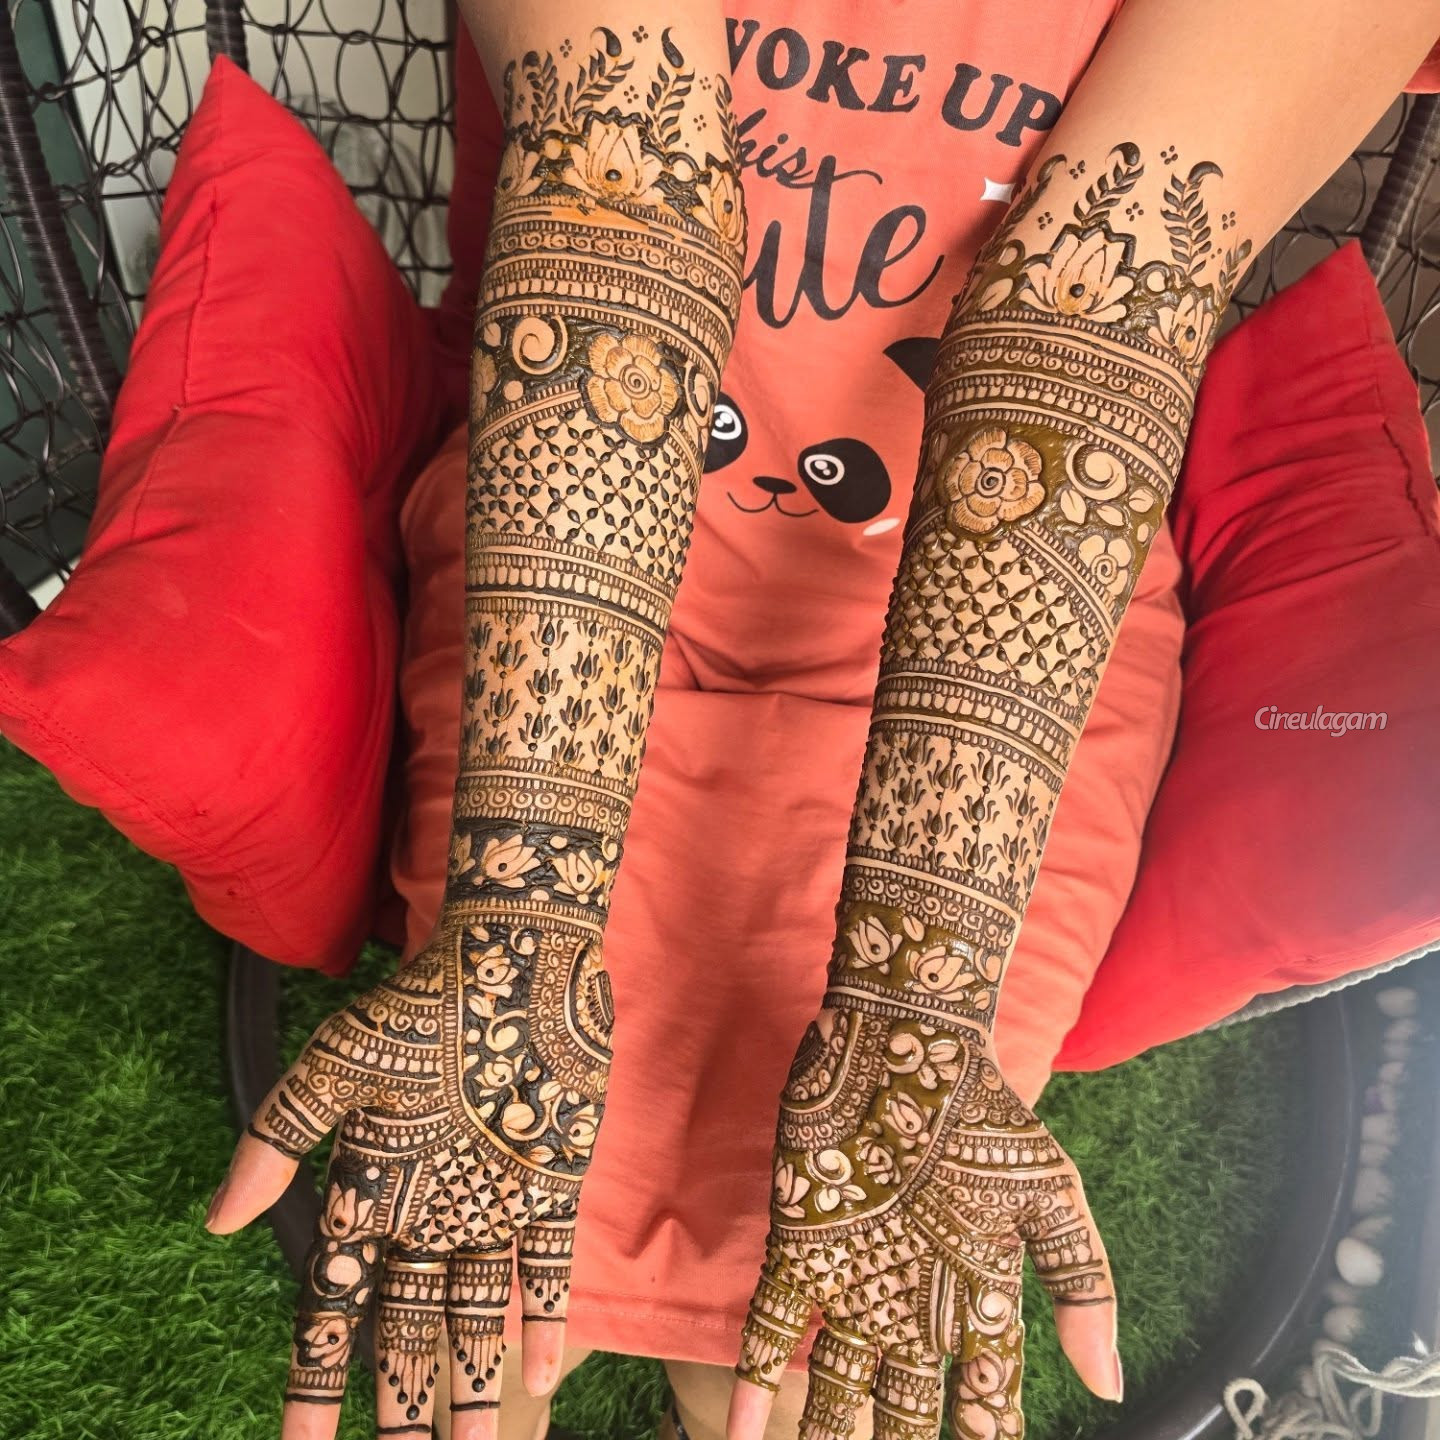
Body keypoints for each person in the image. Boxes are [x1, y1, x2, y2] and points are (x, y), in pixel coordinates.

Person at [203, 2, 1440, 1437]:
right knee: (473, 1326)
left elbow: (1099, 302)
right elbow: (620, 174)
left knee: (795, 1357)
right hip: (592, 569)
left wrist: (913, 1017)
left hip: (1004, 650)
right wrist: (521, 928)